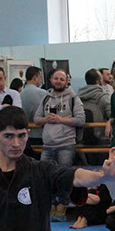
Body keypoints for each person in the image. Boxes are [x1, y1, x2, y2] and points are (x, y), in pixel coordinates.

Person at [33, 68, 85, 221]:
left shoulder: (74, 98)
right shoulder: (45, 98)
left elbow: (81, 120)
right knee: (44, 178)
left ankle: (62, 208)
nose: (59, 81)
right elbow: (36, 119)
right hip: (47, 146)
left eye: (62, 79)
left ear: (67, 81)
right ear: (51, 80)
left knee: (64, 179)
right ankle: (49, 207)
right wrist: (46, 119)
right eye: (56, 78)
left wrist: (61, 120)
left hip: (66, 145)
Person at [20, 66, 47, 150]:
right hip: (40, 133)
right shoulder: (43, 93)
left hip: (25, 134)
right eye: (40, 77)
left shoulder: (20, 94)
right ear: (35, 78)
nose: (41, 80)